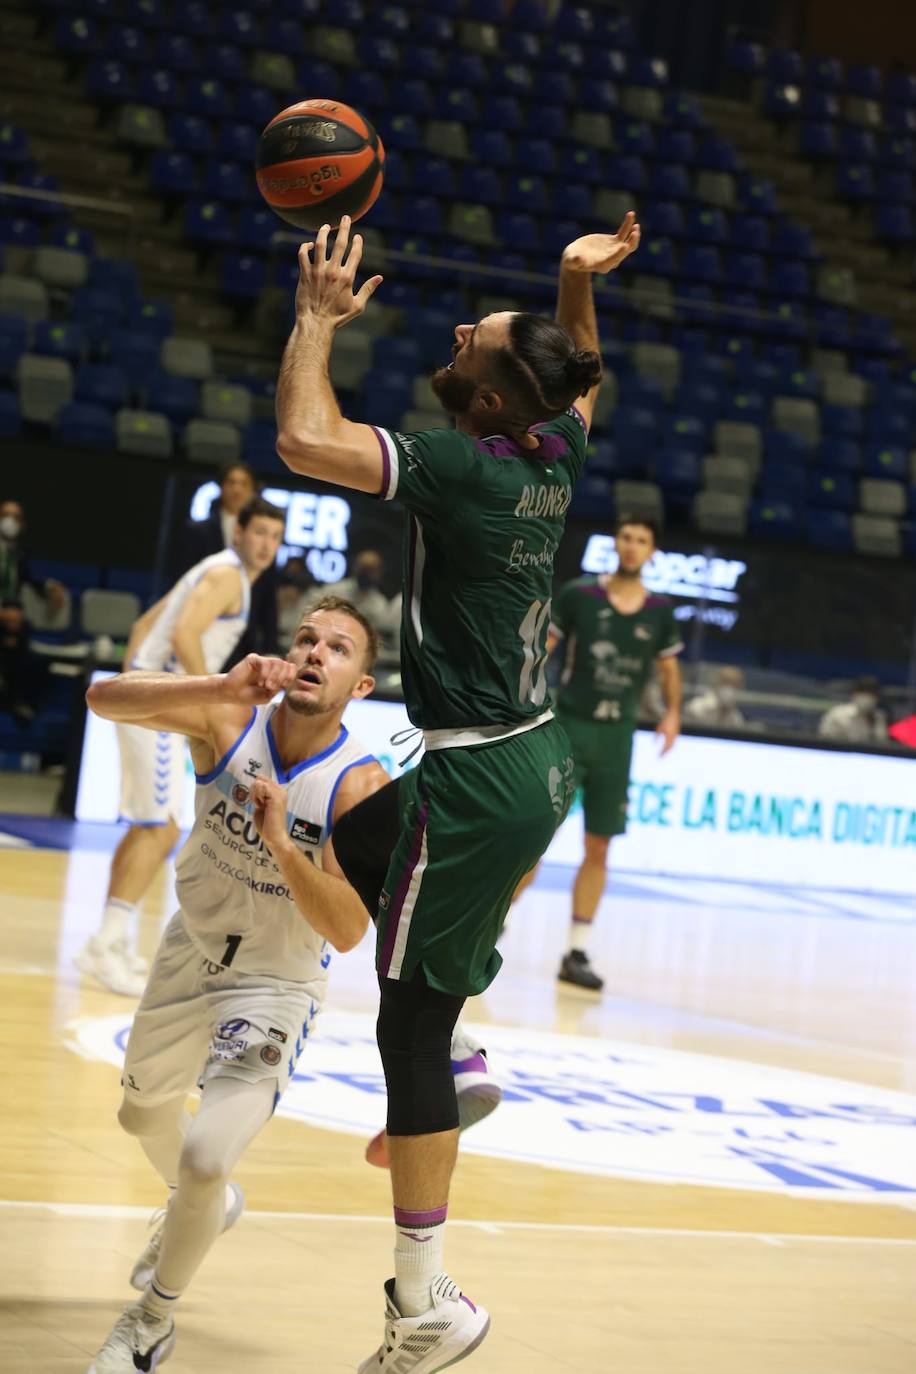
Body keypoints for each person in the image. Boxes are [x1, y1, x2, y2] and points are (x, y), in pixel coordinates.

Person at [274, 210, 640, 1370]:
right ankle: (458, 1063)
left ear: (485, 404)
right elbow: (579, 379)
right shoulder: (549, 451)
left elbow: (300, 436)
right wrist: (572, 280)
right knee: (356, 829)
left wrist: (315, 318)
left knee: (405, 1026)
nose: (453, 330)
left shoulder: (457, 470)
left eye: (469, 338)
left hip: (481, 772)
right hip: (517, 757)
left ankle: (426, 1303)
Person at [82, 598, 390, 1373]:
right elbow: (103, 698)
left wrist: (283, 843)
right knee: (137, 1115)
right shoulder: (228, 715)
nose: (317, 653)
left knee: (207, 1156)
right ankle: (207, 1212)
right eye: (306, 639)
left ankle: (151, 1321)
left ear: (361, 685)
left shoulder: (359, 786)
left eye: (340, 648)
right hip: (188, 952)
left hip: (274, 984)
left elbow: (349, 930)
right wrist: (220, 679)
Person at [75, 497, 286, 997]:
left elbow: (144, 626)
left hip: (150, 698)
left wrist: (135, 678)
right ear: (238, 531)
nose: (266, 544)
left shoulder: (209, 570)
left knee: (148, 825)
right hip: (166, 707)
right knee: (160, 828)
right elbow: (185, 634)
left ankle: (108, 937)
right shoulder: (228, 576)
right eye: (259, 532)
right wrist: (205, 697)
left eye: (275, 537)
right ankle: (106, 943)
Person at [515, 514, 683, 992]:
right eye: (626, 538)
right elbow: (541, 649)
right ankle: (493, 927)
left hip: (618, 738)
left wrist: (672, 714)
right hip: (569, 728)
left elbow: (669, 668)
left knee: (599, 845)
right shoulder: (579, 596)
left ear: (652, 552)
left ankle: (577, 950)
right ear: (616, 544)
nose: (632, 547)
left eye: (642, 541)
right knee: (537, 835)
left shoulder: (660, 610)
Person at [179, 461, 281, 665]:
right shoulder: (201, 536)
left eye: (243, 483)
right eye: (231, 482)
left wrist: (271, 648)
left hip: (244, 638)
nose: (237, 489)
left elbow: (268, 598)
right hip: (199, 628)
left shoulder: (266, 545)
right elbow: (181, 626)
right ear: (239, 534)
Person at [0, 498, 66, 722]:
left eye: (15, 517)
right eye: (5, 515)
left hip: (11, 619)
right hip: (4, 616)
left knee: (27, 647)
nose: (9, 521)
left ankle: (15, 699)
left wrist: (51, 587)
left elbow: (30, 578)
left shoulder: (18, 553)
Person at [324, 547, 402, 654]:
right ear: (355, 568)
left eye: (371, 570)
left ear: (378, 572)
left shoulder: (380, 603)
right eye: (363, 568)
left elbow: (380, 638)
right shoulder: (333, 591)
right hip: (328, 645)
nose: (366, 573)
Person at [818, 674, 888, 744]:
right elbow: (824, 741)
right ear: (854, 694)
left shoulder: (879, 717)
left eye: (872, 694)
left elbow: (881, 743)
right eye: (864, 692)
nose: (868, 698)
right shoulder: (837, 714)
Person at [685, 666, 746, 730]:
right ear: (716, 682)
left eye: (734, 685)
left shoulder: (736, 718)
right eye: (725, 682)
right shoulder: (696, 707)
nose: (730, 688)